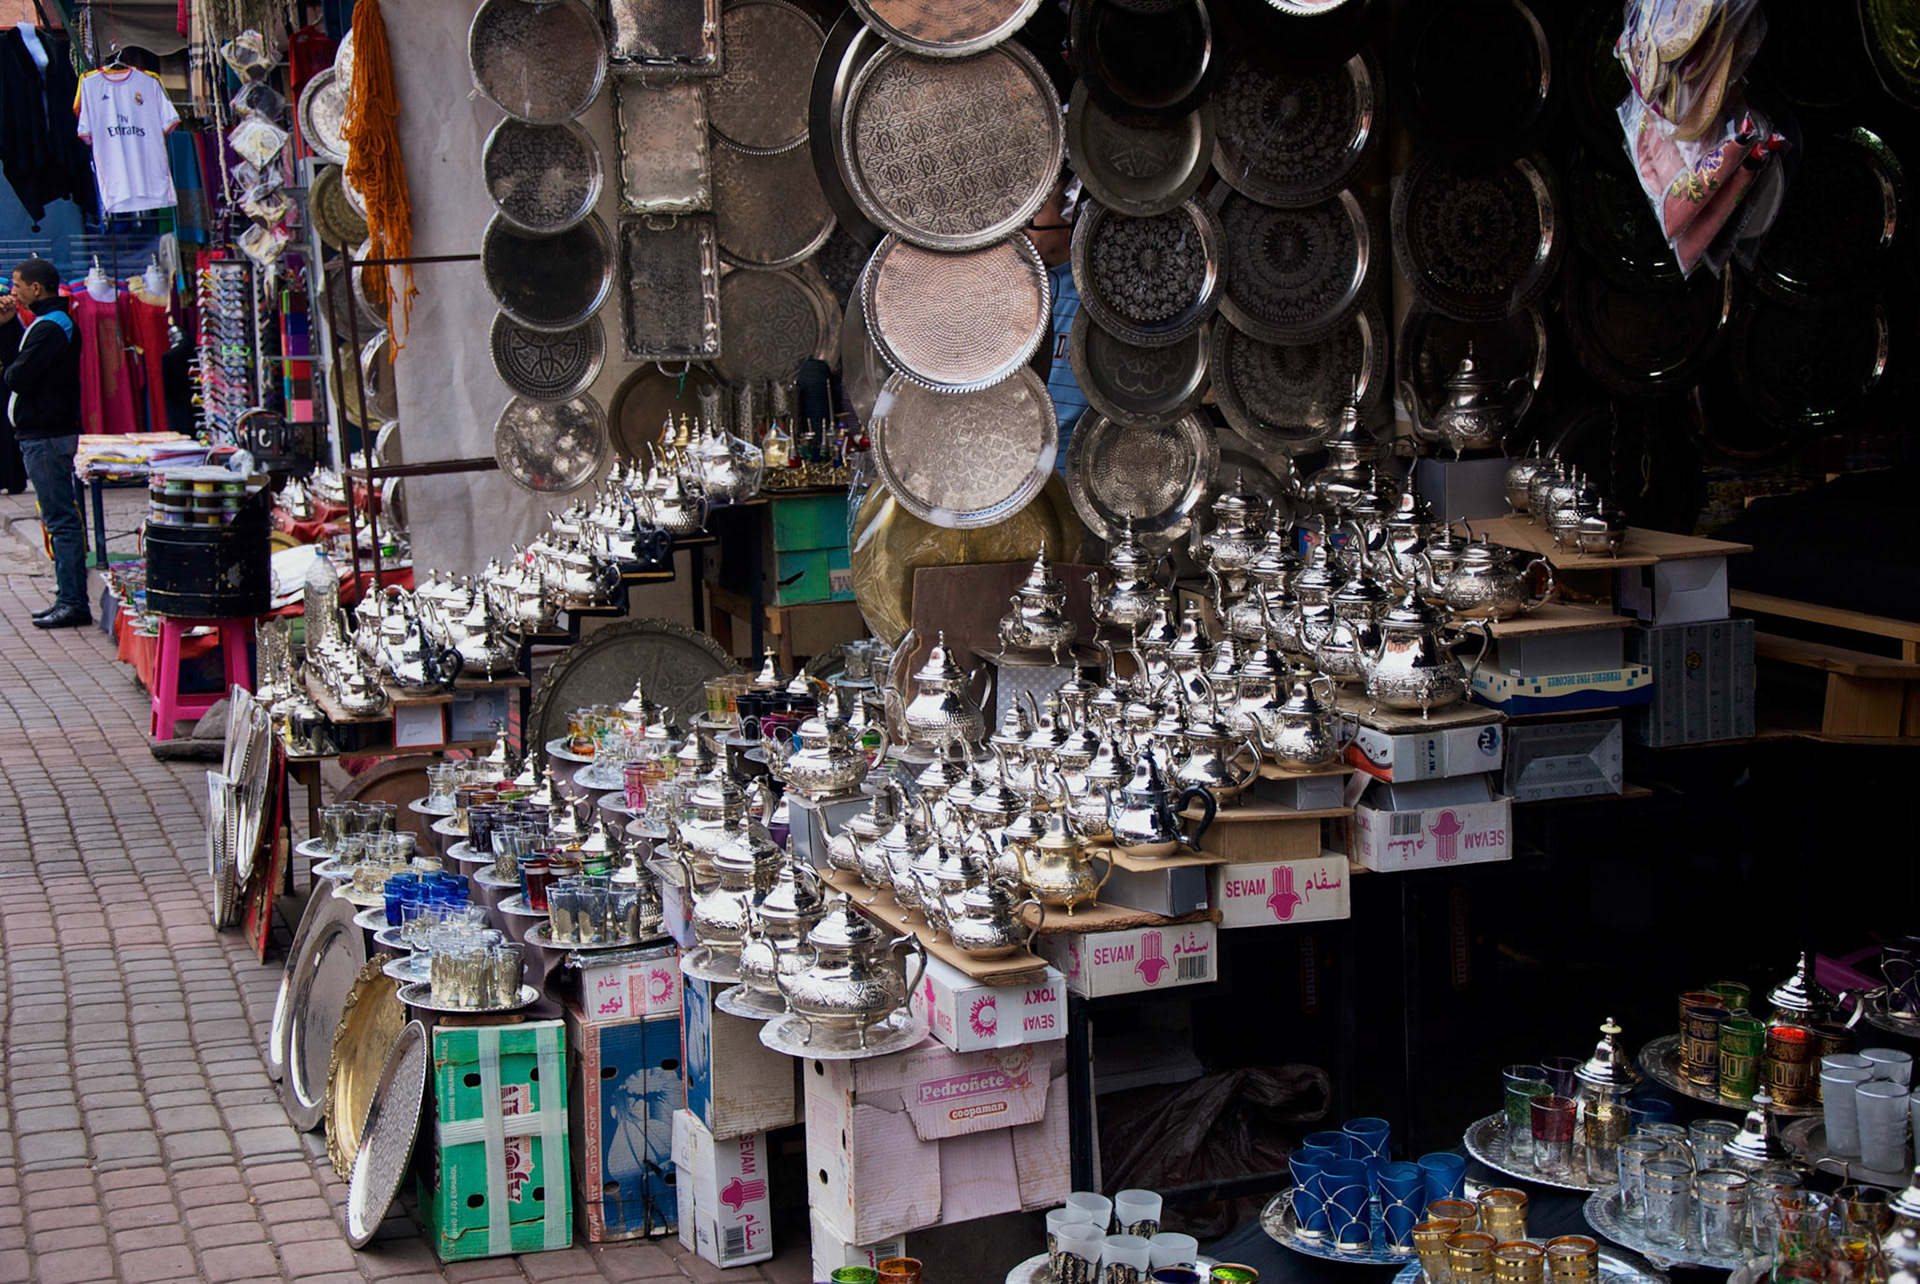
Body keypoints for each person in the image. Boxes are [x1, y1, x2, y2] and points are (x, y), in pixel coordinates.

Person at [0, 256, 88, 628]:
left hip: (48, 435)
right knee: (56, 519)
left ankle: (73, 601)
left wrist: (14, 365)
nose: (13, 291)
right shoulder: (43, 324)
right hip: (42, 434)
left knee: (61, 521)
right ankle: (66, 596)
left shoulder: (52, 327)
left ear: (36, 288)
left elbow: (16, 377)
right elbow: (14, 367)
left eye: (17, 285)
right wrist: (7, 327)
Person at [1026, 172, 1090, 468]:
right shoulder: (1017, 289)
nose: (1024, 222)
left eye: (1037, 208)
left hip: (1080, 471)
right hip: (1019, 470)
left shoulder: (1096, 297)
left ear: (1069, 211)